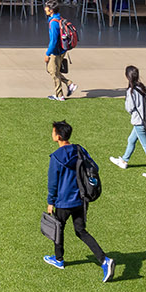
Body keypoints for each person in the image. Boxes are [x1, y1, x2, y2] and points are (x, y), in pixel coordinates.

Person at [44, 120, 113, 280]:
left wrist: (50, 201)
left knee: (58, 229)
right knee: (81, 231)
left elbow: (52, 182)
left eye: (53, 131)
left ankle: (59, 259)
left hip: (63, 201)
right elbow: (94, 167)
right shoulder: (80, 149)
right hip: (81, 199)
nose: (52, 134)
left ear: (58, 136)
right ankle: (104, 260)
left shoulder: (56, 157)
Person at [109, 65, 146, 179]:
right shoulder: (142, 87)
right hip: (145, 119)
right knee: (131, 139)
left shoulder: (131, 91)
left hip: (139, 121)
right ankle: (124, 160)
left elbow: (129, 107)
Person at [43, 0, 75, 100]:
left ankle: (59, 95)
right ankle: (69, 84)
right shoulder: (59, 18)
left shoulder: (53, 23)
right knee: (52, 70)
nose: (45, 9)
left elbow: (53, 41)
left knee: (53, 71)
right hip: (62, 49)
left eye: (46, 7)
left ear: (51, 10)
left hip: (56, 51)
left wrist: (47, 54)